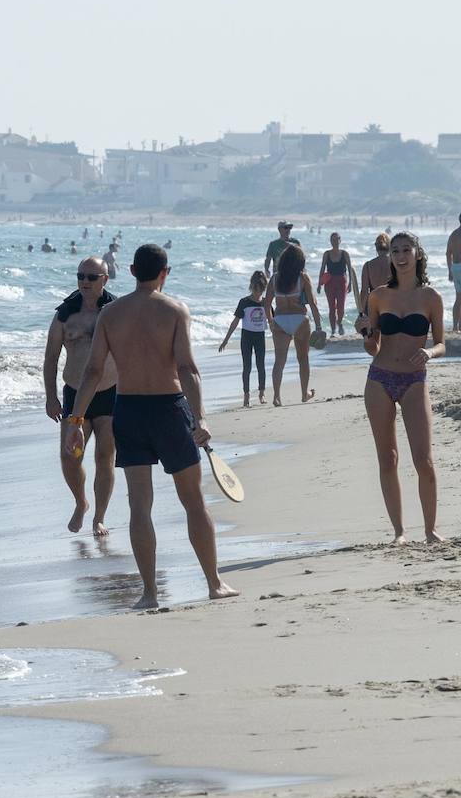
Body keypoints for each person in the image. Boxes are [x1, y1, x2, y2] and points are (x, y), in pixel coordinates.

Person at [65, 244, 238, 608]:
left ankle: (148, 593)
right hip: (169, 410)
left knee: (139, 505)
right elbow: (187, 368)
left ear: (130, 271)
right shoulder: (175, 310)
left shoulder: (111, 314)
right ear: (165, 273)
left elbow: (93, 371)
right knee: (193, 500)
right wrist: (200, 417)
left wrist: (76, 420)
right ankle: (213, 583)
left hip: (128, 410)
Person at [361, 232, 446, 544]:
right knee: (388, 458)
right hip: (379, 378)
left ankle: (430, 530)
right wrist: (367, 334)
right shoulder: (379, 296)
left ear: (417, 254)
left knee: (423, 458)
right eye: (395, 250)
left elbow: (441, 343)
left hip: (414, 379)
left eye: (406, 249)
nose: (400, 255)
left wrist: (429, 352)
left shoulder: (431, 298)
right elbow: (373, 347)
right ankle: (398, 532)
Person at [44, 257, 118, 536]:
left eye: (91, 277)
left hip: (110, 392)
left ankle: (99, 517)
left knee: (105, 457)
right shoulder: (65, 314)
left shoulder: (114, 311)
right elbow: (51, 358)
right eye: (80, 276)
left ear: (105, 279)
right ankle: (81, 501)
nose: (84, 282)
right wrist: (51, 397)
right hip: (74, 392)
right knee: (69, 456)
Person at [264, 244, 322, 406]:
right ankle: (304, 393)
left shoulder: (275, 278)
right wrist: (318, 327)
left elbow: (267, 304)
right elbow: (313, 304)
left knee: (279, 362)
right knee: (303, 359)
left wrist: (271, 322)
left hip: (280, 321)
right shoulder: (303, 278)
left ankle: (276, 396)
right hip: (300, 320)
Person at [218, 271, 268, 407]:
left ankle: (262, 393)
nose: (258, 293)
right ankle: (246, 396)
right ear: (252, 287)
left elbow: (273, 321)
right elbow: (235, 322)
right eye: (256, 289)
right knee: (247, 367)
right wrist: (226, 339)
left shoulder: (266, 303)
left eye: (261, 290)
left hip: (260, 336)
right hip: (247, 336)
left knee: (261, 365)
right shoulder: (244, 302)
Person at [317, 232, 357, 337]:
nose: (335, 241)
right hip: (329, 282)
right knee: (331, 307)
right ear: (330, 241)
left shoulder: (345, 254)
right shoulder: (326, 254)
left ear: (340, 240)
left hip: (341, 282)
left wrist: (351, 284)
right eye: (333, 240)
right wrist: (319, 284)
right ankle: (333, 330)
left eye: (337, 239)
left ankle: (339, 323)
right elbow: (322, 268)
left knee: (341, 307)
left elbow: (349, 269)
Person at [359, 232, 392, 311]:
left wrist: (361, 312)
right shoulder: (395, 264)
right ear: (390, 246)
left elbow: (364, 292)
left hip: (373, 304)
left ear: (376, 247)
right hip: (392, 303)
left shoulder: (368, 265)